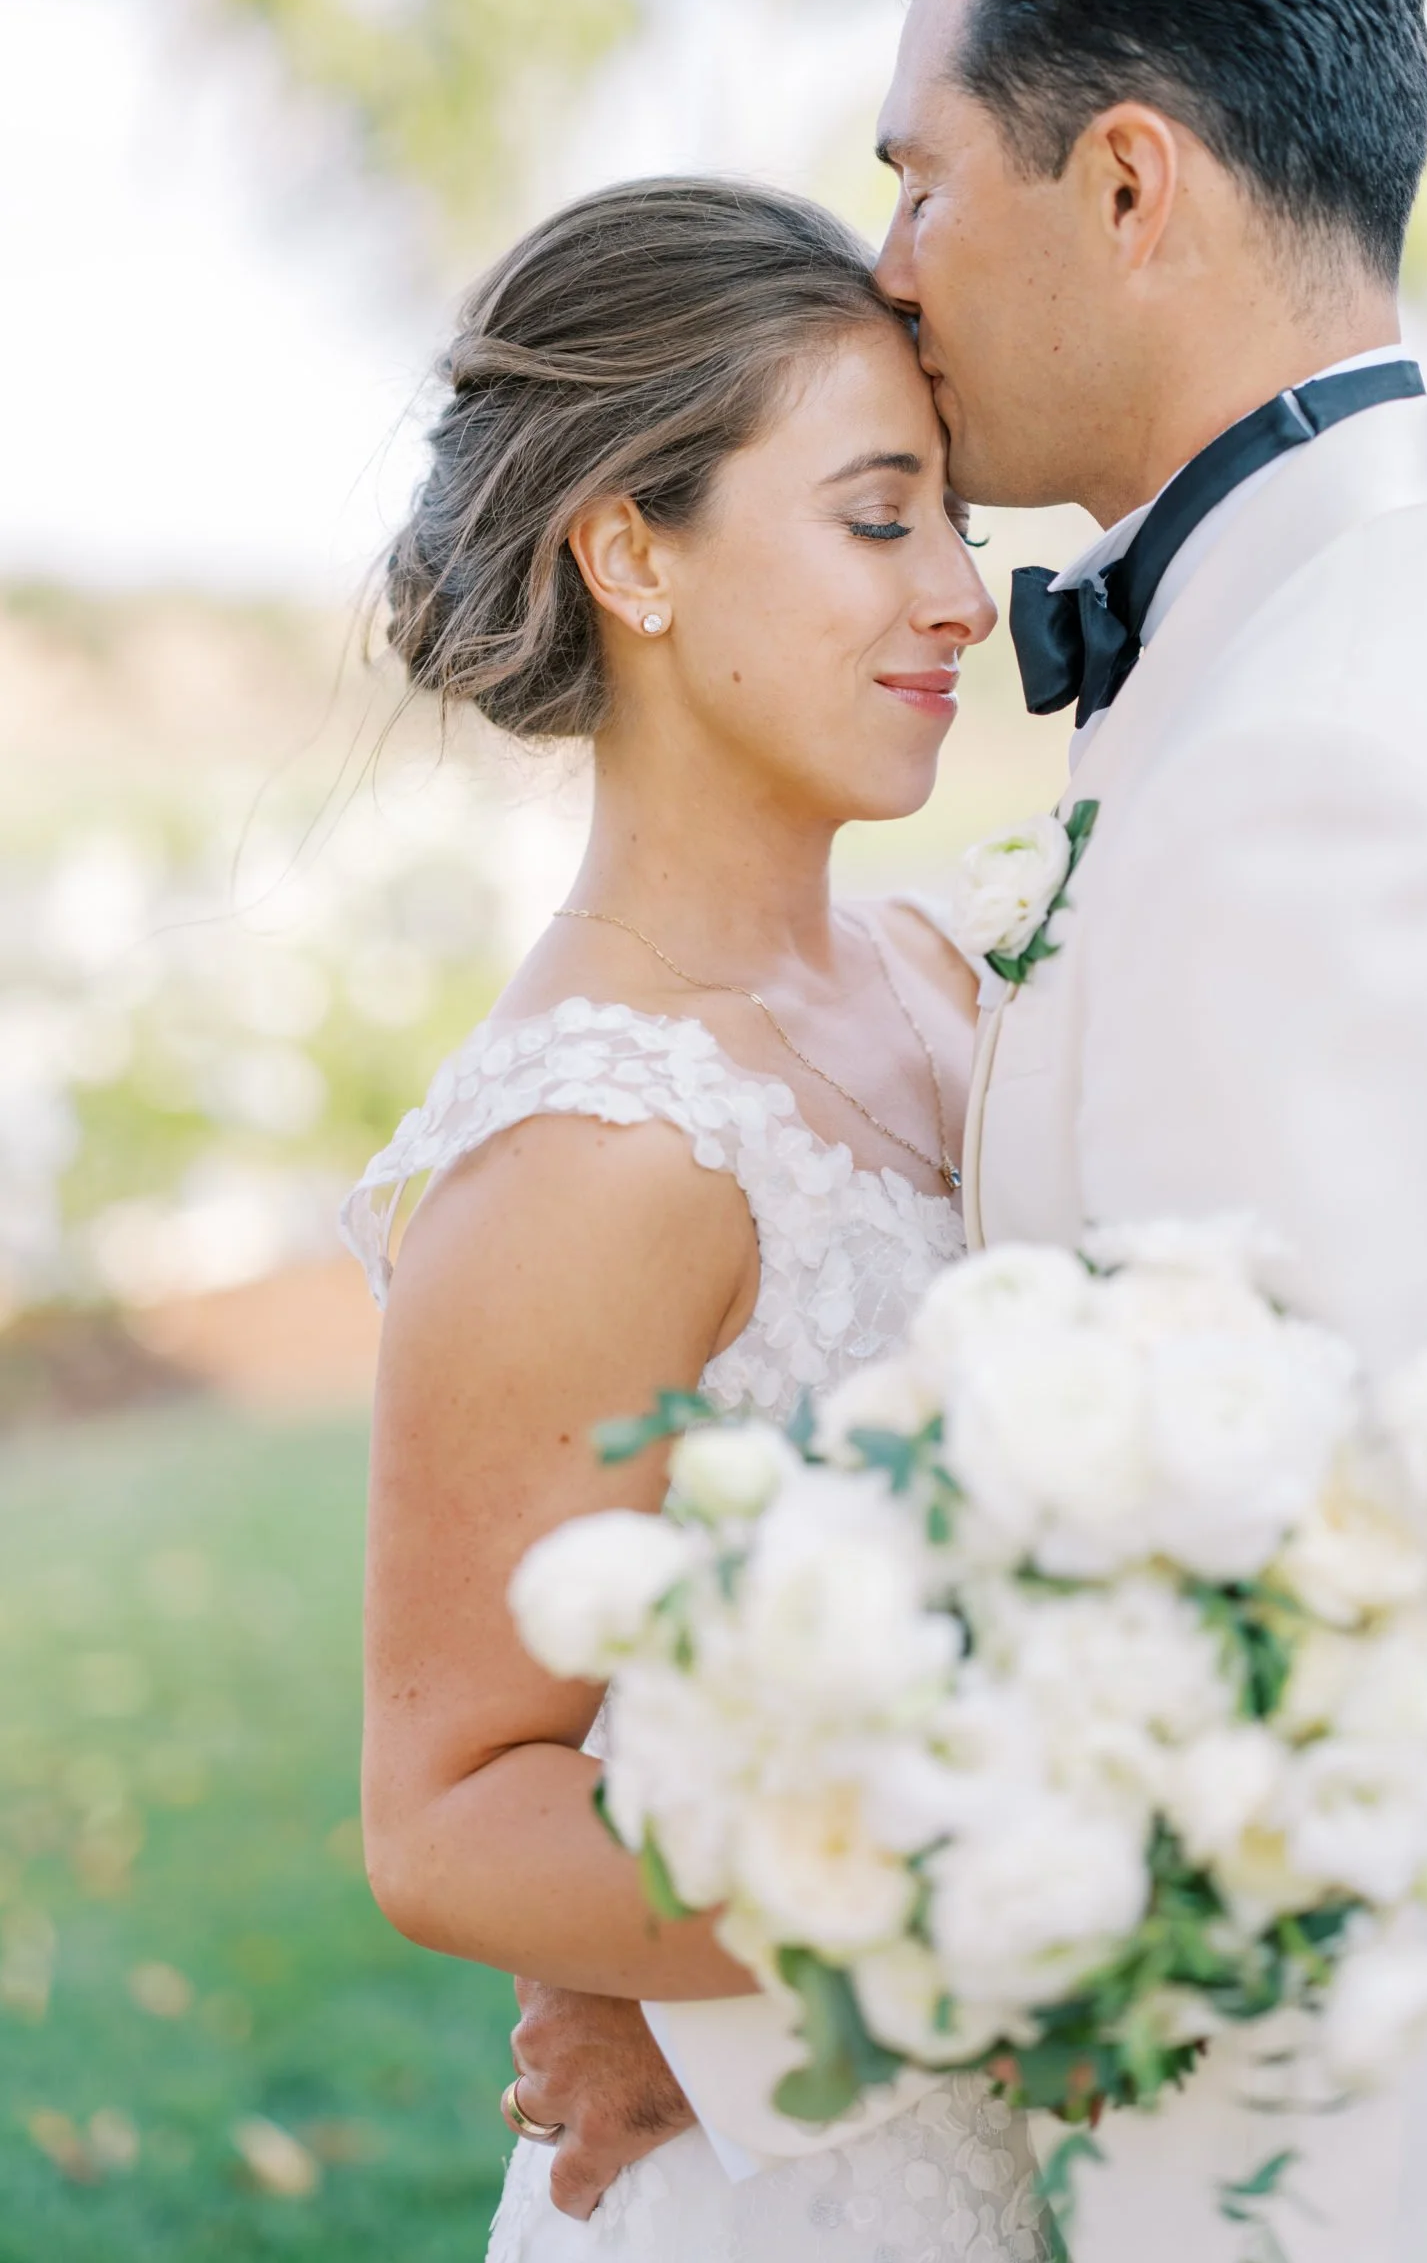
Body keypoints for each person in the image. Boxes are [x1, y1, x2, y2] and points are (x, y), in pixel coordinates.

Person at [529, 0, 1427, 2263]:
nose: (891, 262)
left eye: (922, 177)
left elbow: (1234, 1592)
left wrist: (702, 1988)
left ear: (1130, 183)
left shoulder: (1342, 743)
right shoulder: (1407, 638)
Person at [343, 177, 1047, 2260]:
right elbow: (453, 1813)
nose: (961, 598)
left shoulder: (949, 978)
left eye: (960, 525)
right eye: (875, 514)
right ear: (632, 551)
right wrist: (994, 1900)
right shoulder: (593, 1142)